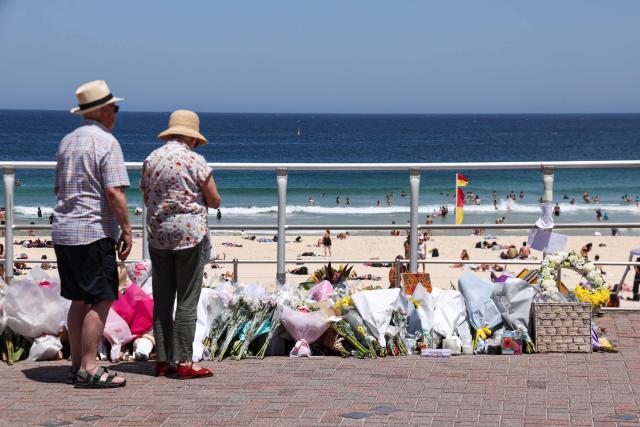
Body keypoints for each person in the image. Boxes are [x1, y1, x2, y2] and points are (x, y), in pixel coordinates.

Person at [52, 80, 131, 388]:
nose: (116, 113)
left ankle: (75, 365)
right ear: (101, 110)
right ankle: (89, 365)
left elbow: (59, 188)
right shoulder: (106, 143)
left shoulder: (67, 141)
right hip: (93, 231)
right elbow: (114, 191)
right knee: (101, 298)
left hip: (64, 230)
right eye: (114, 108)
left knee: (78, 299)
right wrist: (126, 229)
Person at [141, 110, 221, 380]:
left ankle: (163, 360)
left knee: (162, 298)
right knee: (187, 299)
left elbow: (145, 196)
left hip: (158, 234)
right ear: (192, 137)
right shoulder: (195, 160)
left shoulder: (151, 159)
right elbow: (214, 199)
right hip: (190, 236)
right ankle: (185, 361)